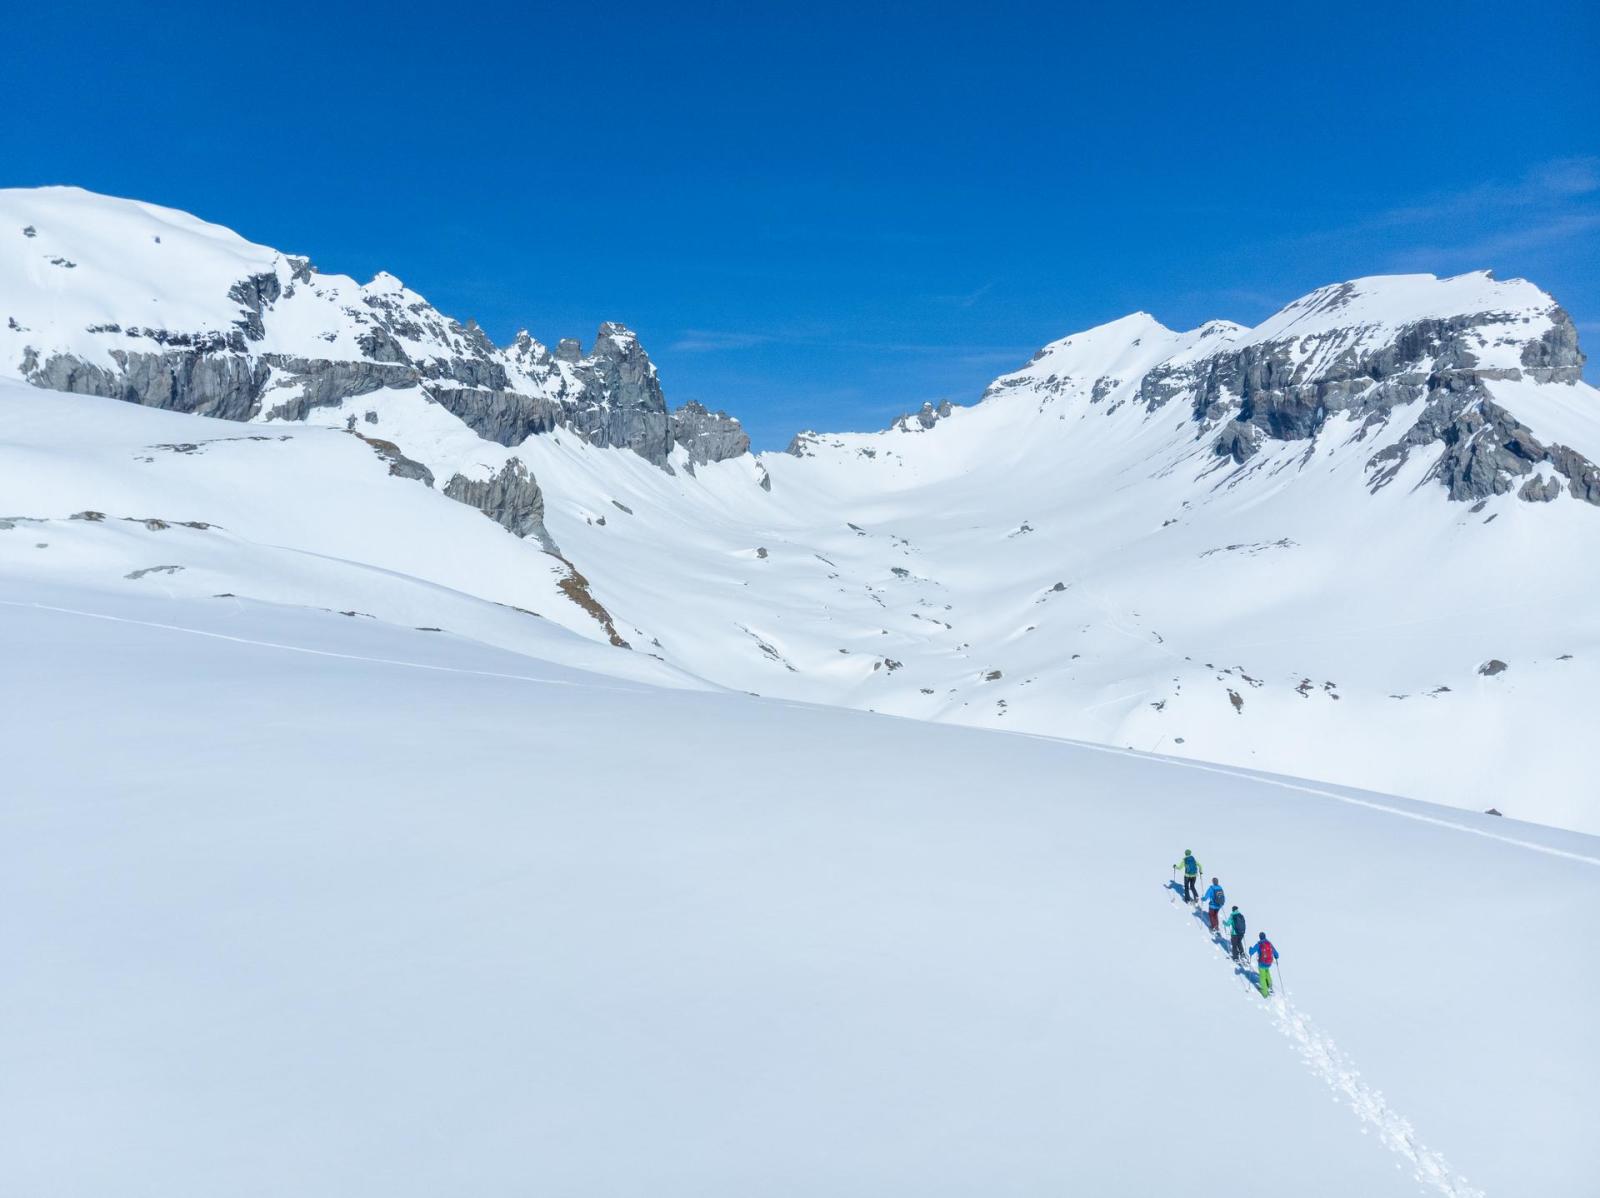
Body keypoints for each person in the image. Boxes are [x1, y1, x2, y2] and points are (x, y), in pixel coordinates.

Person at [1250, 932, 1279, 997]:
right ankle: (1269, 985)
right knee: (1267, 972)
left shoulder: (1259, 944)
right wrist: (1276, 956)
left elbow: (1251, 952)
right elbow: (1276, 953)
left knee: (1262, 977)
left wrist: (1250, 949)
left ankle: (1265, 992)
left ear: (1259, 937)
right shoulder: (1269, 943)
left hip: (1262, 963)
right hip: (1269, 962)